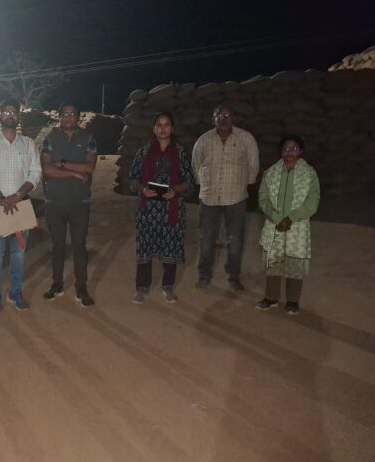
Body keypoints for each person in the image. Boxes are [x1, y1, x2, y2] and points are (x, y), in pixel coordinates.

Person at [0, 98, 41, 311]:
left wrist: (17, 196)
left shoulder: (28, 144)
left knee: (19, 253)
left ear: (19, 117)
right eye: (6, 112)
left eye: (13, 112)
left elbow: (35, 172)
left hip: (21, 207)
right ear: (0, 116)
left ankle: (15, 291)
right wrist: (2, 198)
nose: (10, 115)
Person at [128, 112, 195, 303]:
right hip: (148, 210)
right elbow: (132, 179)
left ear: (172, 129)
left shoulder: (180, 153)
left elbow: (190, 182)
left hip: (171, 210)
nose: (163, 128)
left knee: (170, 247)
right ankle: (142, 287)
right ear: (154, 128)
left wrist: (176, 190)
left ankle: (168, 286)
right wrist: (143, 189)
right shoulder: (143, 152)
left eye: (166, 125)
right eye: (159, 124)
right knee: (145, 248)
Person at [192, 103, 259, 291]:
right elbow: (196, 165)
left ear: (233, 118)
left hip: (236, 198)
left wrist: (244, 184)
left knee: (235, 240)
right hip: (209, 198)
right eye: (219, 115)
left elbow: (253, 165)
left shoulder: (245, 138)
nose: (223, 119)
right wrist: (204, 184)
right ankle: (204, 275)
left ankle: (233, 276)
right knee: (207, 239)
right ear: (213, 118)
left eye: (227, 115)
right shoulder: (203, 140)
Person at [40, 102, 97, 307]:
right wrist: (74, 173)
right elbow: (47, 169)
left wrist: (62, 164)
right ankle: (57, 284)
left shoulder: (88, 139)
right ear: (59, 117)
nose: (68, 117)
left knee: (79, 246)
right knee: (57, 245)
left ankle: (81, 287)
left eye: (72, 114)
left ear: (78, 117)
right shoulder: (49, 139)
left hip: (79, 202)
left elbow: (89, 167)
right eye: (65, 114)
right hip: (54, 202)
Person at [256, 135, 319, 315]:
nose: (289, 152)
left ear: (301, 151)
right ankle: (271, 297)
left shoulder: (309, 174)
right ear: (281, 152)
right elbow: (263, 199)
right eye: (286, 149)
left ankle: (292, 300)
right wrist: (277, 219)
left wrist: (291, 218)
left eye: (294, 149)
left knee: (295, 262)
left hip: (297, 226)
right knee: (273, 261)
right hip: (274, 225)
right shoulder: (271, 173)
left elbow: (313, 201)